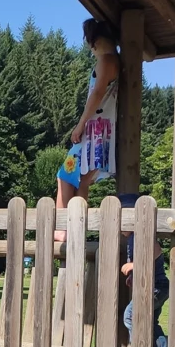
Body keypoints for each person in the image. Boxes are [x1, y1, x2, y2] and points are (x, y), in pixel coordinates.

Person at [55, 19, 119, 237]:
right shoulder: (117, 61)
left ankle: (62, 228)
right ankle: (74, 228)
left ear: (94, 40)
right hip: (105, 131)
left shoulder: (105, 61)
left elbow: (97, 93)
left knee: (65, 173)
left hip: (94, 131)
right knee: (83, 179)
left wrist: (80, 124)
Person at [116, 193, 169, 347]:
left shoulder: (140, 234)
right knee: (151, 320)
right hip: (154, 286)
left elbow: (155, 250)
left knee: (132, 315)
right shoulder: (130, 239)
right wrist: (134, 275)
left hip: (155, 287)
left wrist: (134, 264)